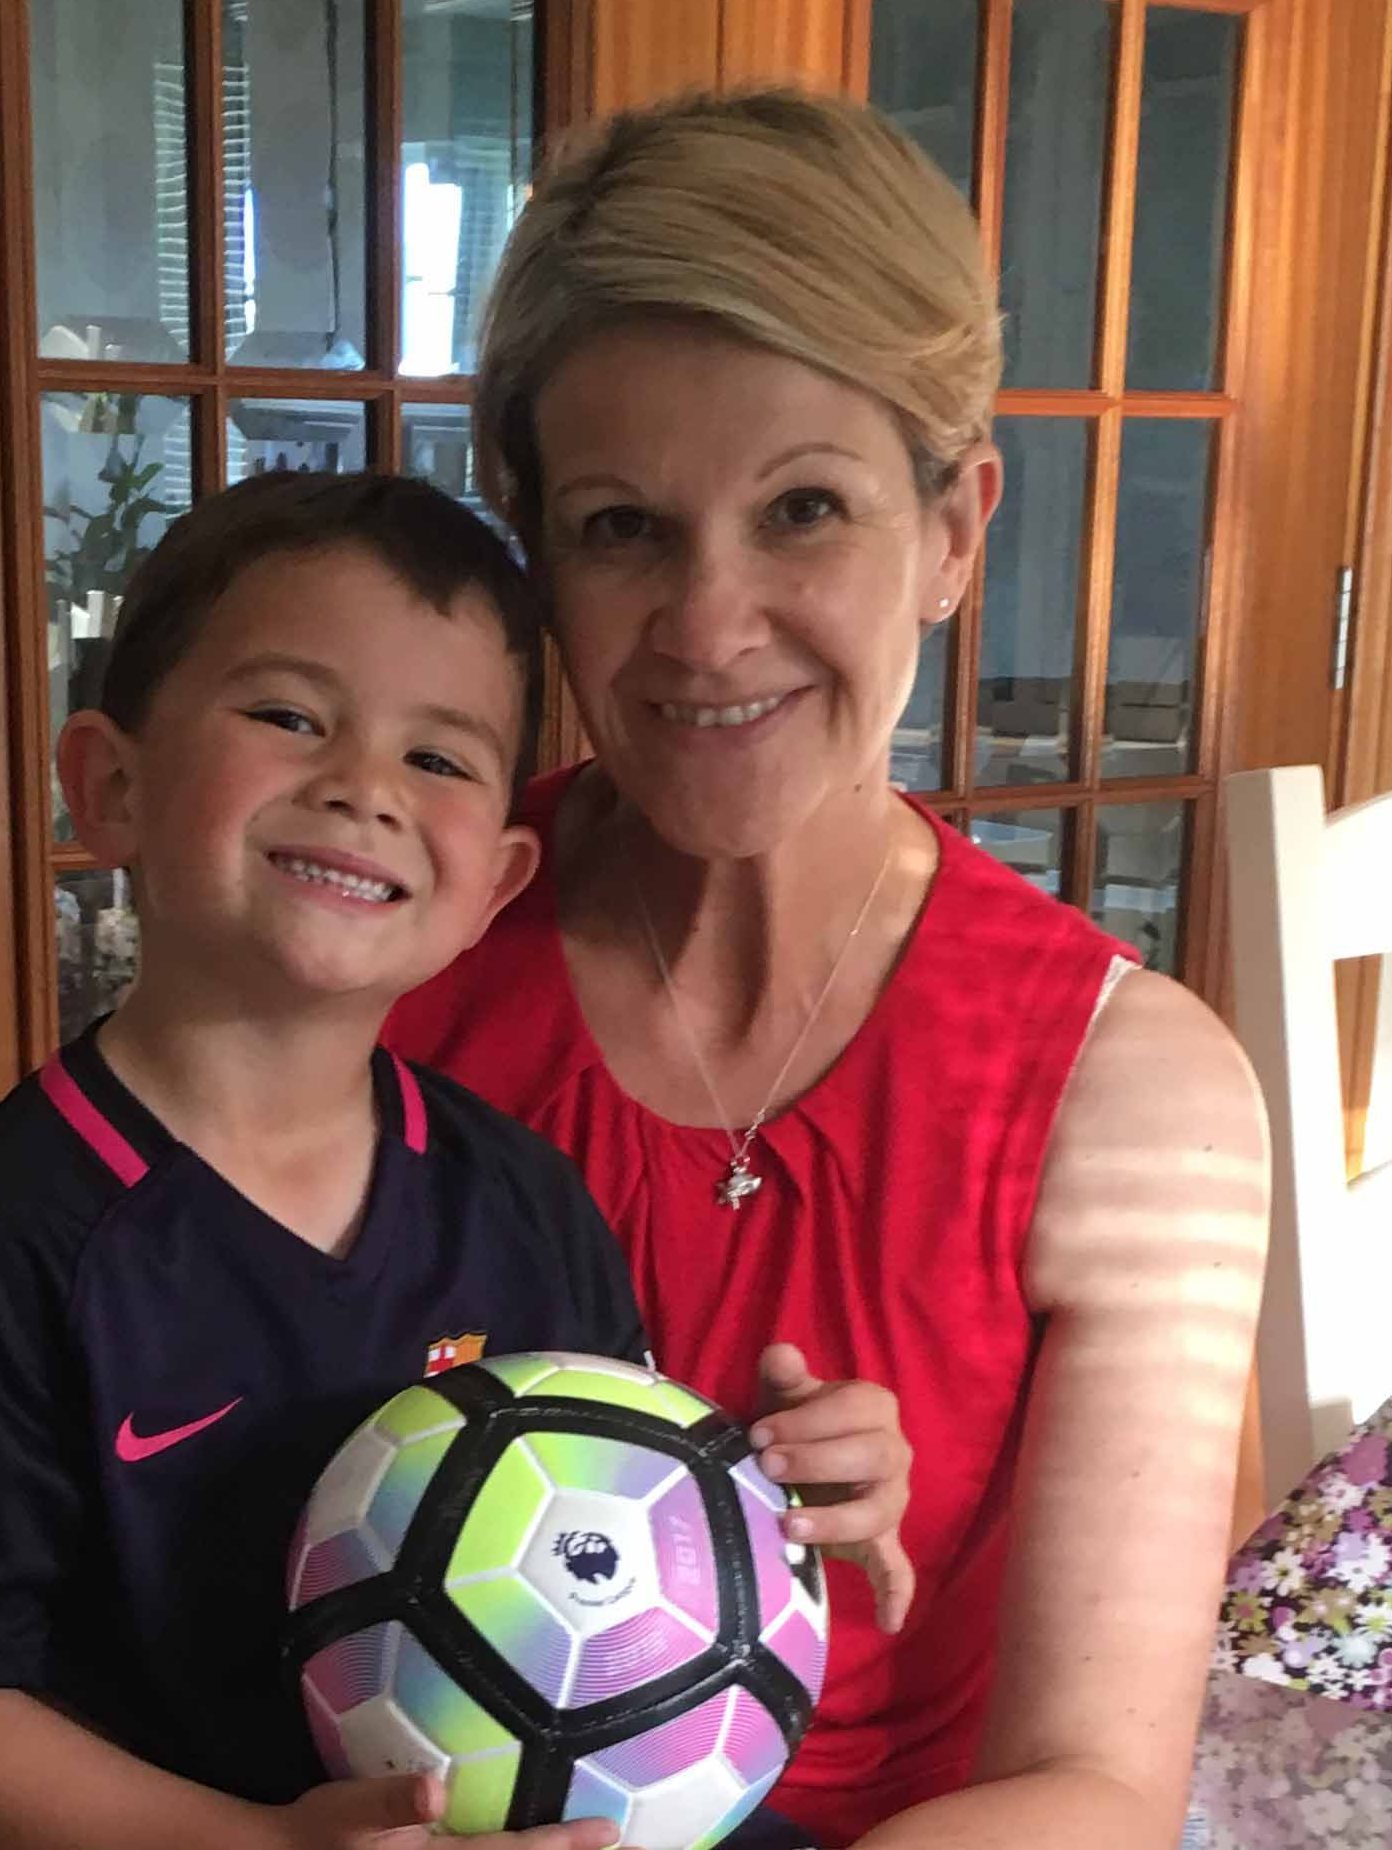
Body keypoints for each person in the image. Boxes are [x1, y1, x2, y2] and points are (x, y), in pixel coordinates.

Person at [385, 89, 1270, 1850]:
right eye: (625, 527)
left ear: (953, 533)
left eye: (804, 509)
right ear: (538, 551)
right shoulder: (398, 959)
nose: (712, 627)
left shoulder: (1131, 1088)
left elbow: (1094, 1790)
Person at [0, 471, 910, 1850]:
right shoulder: (22, 1230)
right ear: (114, 787)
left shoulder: (519, 1194)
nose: (362, 788)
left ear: (494, 881)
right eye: (288, 716)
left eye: (437, 758)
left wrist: (784, 1482)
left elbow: (616, 1532)